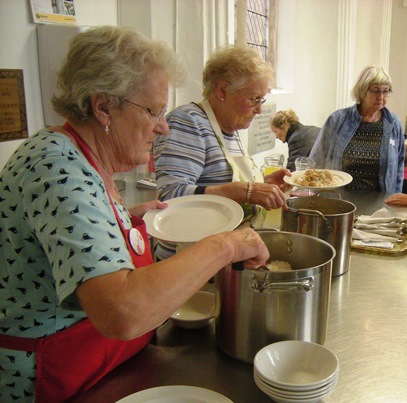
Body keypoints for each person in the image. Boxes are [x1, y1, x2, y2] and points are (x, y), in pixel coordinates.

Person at [0, 26, 270, 402]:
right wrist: (225, 246)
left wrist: (124, 217)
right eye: (154, 112)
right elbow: (122, 312)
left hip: (99, 368)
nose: (162, 127)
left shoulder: (81, 158)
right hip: (49, 381)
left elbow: (67, 230)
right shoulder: (54, 165)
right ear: (104, 106)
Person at [153, 45, 289, 261]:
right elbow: (170, 198)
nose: (259, 109)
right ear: (222, 91)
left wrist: (263, 183)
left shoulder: (229, 129)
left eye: (261, 100)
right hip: (189, 264)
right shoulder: (188, 122)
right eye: (254, 99)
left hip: (221, 260)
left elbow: (218, 183)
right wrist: (246, 190)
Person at [309, 66, 405, 193]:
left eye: (386, 91)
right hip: (339, 199)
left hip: (378, 203)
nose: (381, 96)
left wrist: (394, 200)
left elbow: (399, 168)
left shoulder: (393, 124)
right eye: (375, 90)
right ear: (362, 91)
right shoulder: (337, 119)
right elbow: (317, 159)